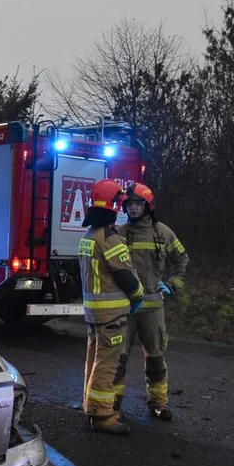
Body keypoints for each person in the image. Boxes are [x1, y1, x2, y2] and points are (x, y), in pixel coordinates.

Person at [115, 183, 190, 421]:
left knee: (156, 359)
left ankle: (158, 404)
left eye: (137, 204)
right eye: (130, 204)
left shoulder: (163, 233)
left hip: (153, 308)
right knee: (118, 359)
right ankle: (112, 404)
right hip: (124, 308)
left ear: (148, 206)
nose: (133, 208)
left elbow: (182, 259)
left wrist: (174, 284)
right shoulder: (118, 233)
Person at [79, 180, 145, 436]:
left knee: (93, 361)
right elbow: (126, 275)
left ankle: (91, 406)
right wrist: (138, 295)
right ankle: (102, 415)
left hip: (94, 313)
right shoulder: (109, 237)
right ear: (112, 206)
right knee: (107, 363)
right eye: (119, 203)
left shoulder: (88, 236)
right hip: (112, 314)